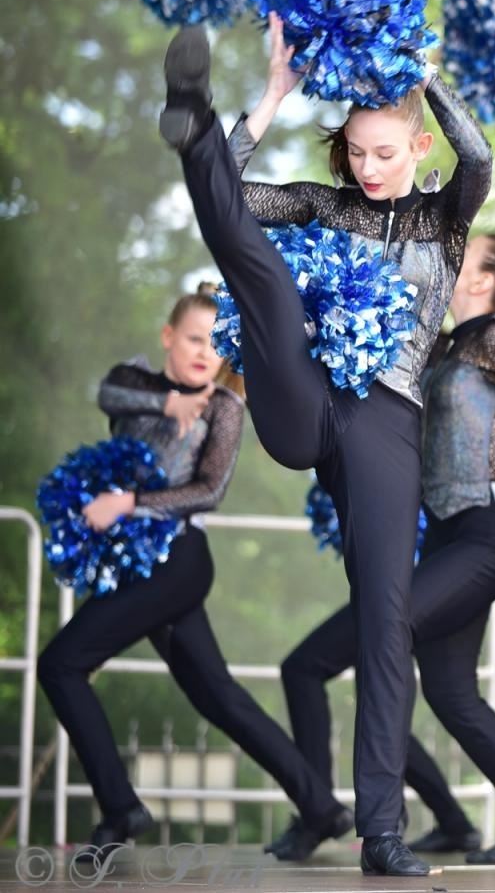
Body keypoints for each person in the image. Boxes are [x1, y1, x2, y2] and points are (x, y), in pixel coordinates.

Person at [158, 14, 491, 875]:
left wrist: (428, 72)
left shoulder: (444, 224)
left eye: (387, 153)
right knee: (262, 273)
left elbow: (479, 161)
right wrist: (269, 97)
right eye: (358, 153)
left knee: (386, 620)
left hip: (386, 424)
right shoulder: (322, 201)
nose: (370, 169)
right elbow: (230, 199)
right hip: (305, 403)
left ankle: (382, 831)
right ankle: (190, 113)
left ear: (418, 147)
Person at [275, 235, 495, 866]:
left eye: (468, 253)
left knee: (389, 626)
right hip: (449, 535)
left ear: (482, 280)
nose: (451, 258)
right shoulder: (453, 341)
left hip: (489, 531)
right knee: (453, 695)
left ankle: (384, 825)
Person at [40, 287, 349, 863]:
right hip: (136, 568)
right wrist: (167, 406)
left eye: (214, 341)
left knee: (60, 663)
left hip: (178, 564)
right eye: (192, 339)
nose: (204, 352)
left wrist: (129, 502)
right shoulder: (134, 384)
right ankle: (321, 806)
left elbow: (209, 490)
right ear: (167, 337)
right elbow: (106, 392)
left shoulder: (226, 404)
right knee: (220, 698)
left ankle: (119, 807)